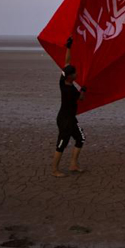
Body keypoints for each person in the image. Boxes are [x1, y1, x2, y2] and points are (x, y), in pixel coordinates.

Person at [52, 36, 87, 178]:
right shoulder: (70, 91)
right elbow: (82, 98)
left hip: (71, 118)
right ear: (70, 77)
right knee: (61, 144)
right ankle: (54, 170)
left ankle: (73, 164)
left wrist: (68, 47)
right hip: (65, 120)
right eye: (75, 73)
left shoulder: (63, 80)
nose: (77, 74)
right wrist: (83, 89)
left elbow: (67, 62)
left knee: (81, 138)